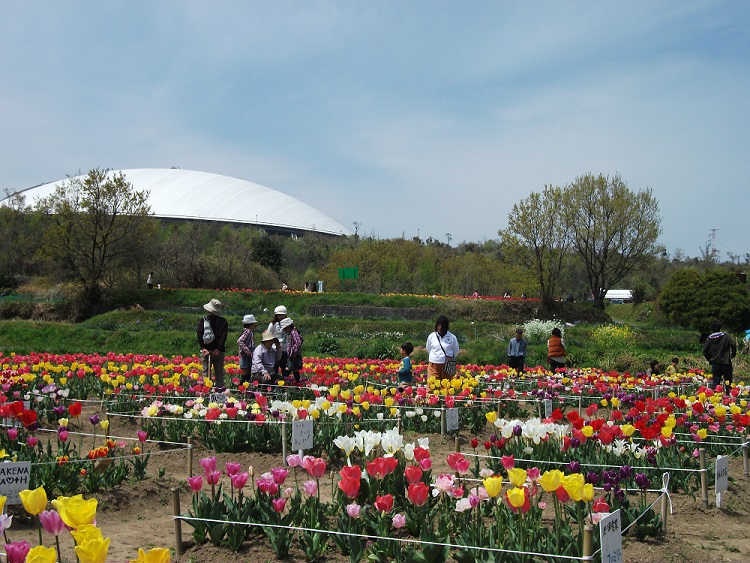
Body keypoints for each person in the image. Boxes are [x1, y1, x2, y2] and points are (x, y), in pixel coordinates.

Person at [197, 298, 229, 389]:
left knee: (205, 373)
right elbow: (224, 336)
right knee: (219, 373)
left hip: (206, 350)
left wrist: (203, 347)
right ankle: (219, 394)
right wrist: (218, 349)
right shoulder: (223, 321)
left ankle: (206, 392)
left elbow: (199, 334)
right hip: (219, 352)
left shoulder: (204, 320)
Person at [703, 320, 737, 393]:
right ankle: (729, 399)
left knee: (716, 382)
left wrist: (709, 358)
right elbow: (733, 344)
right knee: (728, 383)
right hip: (726, 362)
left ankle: (716, 399)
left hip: (715, 363)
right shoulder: (726, 336)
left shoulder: (709, 338)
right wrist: (733, 354)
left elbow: (705, 351)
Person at [425, 315, 459, 379]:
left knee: (446, 386)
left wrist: (448, 358)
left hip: (446, 365)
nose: (440, 328)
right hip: (433, 364)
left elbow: (456, 351)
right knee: (432, 385)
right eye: (439, 325)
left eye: (442, 326)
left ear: (446, 327)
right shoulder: (431, 336)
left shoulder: (452, 337)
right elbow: (428, 348)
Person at [267, 305, 288, 377]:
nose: (281, 317)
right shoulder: (273, 324)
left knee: (284, 367)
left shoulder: (287, 323)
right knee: (275, 367)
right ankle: (274, 382)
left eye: (282, 315)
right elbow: (268, 334)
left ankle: (284, 383)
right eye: (279, 315)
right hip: (275, 348)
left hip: (285, 348)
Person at [281, 317, 304, 382]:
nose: (284, 331)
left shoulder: (293, 332)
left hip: (294, 355)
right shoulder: (293, 332)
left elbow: (298, 342)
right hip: (295, 354)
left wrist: (294, 352)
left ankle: (282, 381)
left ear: (288, 327)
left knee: (288, 368)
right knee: (295, 369)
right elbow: (301, 340)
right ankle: (297, 382)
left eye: (285, 329)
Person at [237, 314, 257, 383]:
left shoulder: (247, 331)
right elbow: (240, 341)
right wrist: (247, 351)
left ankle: (244, 388)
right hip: (245, 355)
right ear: (251, 324)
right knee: (246, 374)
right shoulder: (248, 331)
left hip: (247, 354)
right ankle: (241, 387)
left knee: (247, 373)